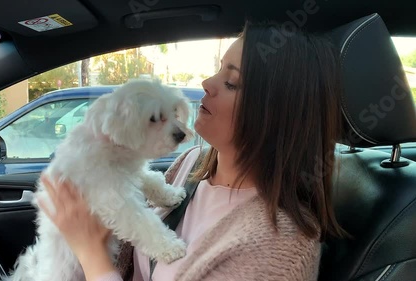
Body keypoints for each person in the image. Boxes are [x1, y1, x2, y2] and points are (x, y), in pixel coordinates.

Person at [38, 21, 347, 281]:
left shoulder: (280, 246)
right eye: (218, 70)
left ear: (276, 114)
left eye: (231, 82)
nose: (207, 82)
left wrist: (91, 254)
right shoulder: (190, 165)